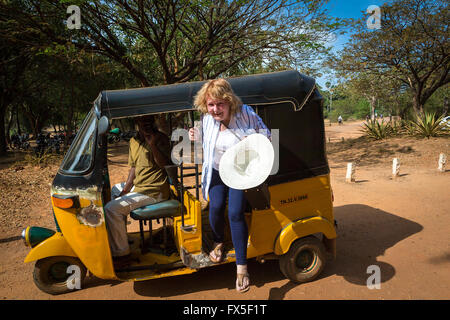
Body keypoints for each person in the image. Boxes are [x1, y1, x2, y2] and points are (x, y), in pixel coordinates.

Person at [189, 78, 270, 293]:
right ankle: (218, 242)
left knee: (234, 212)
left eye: (220, 104)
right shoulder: (206, 119)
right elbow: (203, 140)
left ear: (229, 101)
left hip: (240, 171)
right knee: (214, 207)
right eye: (210, 104)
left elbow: (267, 135)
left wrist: (248, 138)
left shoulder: (246, 113)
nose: (215, 109)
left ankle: (242, 268)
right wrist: (195, 136)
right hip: (216, 170)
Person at [104, 115, 171, 269]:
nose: (147, 125)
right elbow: (133, 168)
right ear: (137, 123)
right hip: (140, 186)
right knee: (115, 190)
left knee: (110, 209)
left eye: (149, 121)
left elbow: (164, 164)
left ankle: (122, 254)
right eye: (143, 122)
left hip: (154, 190)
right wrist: (125, 191)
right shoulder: (134, 141)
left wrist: (152, 145)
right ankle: (121, 238)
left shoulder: (161, 138)